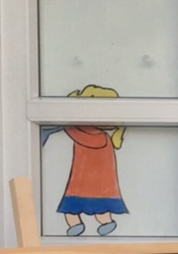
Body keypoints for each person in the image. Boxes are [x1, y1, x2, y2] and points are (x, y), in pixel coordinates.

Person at [44, 84, 128, 236]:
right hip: (98, 186)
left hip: (87, 185)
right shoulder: (102, 136)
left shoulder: (94, 136)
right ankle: (103, 223)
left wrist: (66, 119)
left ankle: (83, 224)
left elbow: (73, 131)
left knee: (75, 209)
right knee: (100, 209)